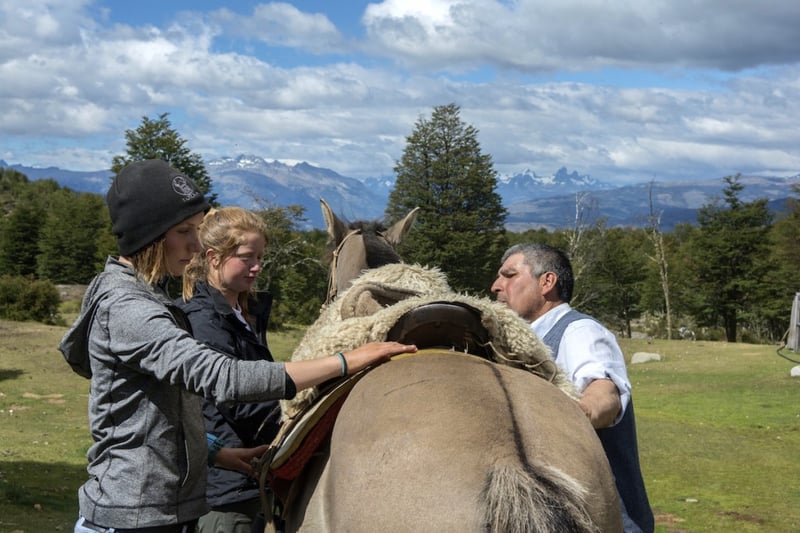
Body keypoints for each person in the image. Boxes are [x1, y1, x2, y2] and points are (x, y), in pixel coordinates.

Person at [59, 159, 416, 533]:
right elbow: (223, 377)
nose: (196, 245)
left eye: (197, 231)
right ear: (149, 235)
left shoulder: (146, 297)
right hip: (132, 519)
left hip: (157, 514)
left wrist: (214, 452)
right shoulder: (129, 310)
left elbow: (154, 410)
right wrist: (346, 361)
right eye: (184, 231)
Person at [491, 242, 654, 533]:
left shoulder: (579, 331)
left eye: (509, 275)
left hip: (606, 521)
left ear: (547, 282)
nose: (495, 286)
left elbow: (604, 394)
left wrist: (578, 411)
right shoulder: (523, 341)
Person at [178, 206, 281, 533]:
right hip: (226, 491)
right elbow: (239, 397)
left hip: (252, 480)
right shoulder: (203, 321)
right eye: (247, 258)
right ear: (213, 257)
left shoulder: (241, 313)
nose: (256, 268)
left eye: (260, 257)